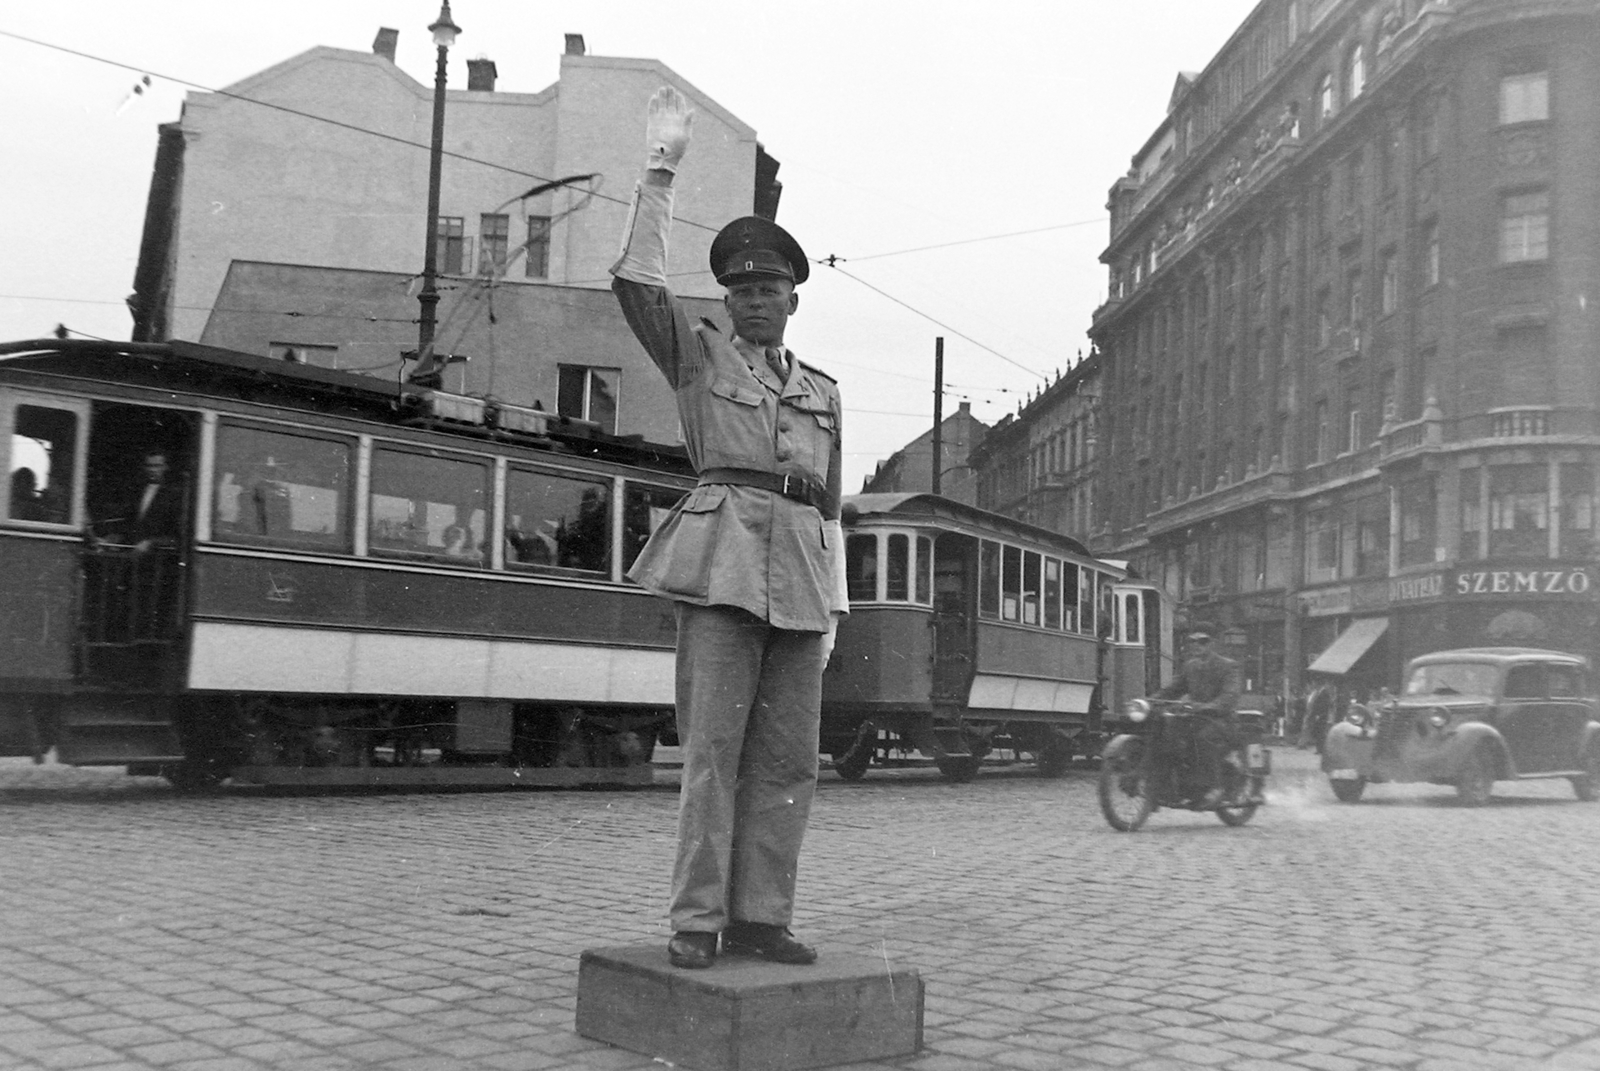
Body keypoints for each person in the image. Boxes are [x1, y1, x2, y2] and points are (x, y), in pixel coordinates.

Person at [610, 86, 847, 971]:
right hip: (722, 568)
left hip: (803, 582)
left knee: (790, 761)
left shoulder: (823, 391)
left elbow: (830, 504)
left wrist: (836, 607)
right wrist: (659, 173)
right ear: (728, 298)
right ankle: (698, 918)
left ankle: (761, 917)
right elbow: (637, 284)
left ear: (793, 300)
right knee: (711, 752)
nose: (755, 301)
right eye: (742, 289)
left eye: (769, 289)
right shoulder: (697, 354)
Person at [1157, 624, 1244, 805]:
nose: (1197, 645)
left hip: (1221, 721)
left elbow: (1230, 696)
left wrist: (1208, 706)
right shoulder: (1190, 666)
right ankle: (1171, 787)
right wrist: (1151, 700)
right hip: (1195, 717)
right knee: (1168, 735)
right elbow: (1174, 689)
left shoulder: (1229, 666)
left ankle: (1216, 787)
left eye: (1203, 641)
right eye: (1192, 641)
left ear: (1213, 643)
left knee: (1203, 739)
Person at [94, 450, 183, 552]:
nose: (152, 470)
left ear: (165, 467)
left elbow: (176, 535)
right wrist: (110, 540)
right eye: (149, 466)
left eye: (157, 466)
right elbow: (129, 523)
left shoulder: (174, 495)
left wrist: (152, 543)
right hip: (134, 551)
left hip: (159, 555)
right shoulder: (137, 491)